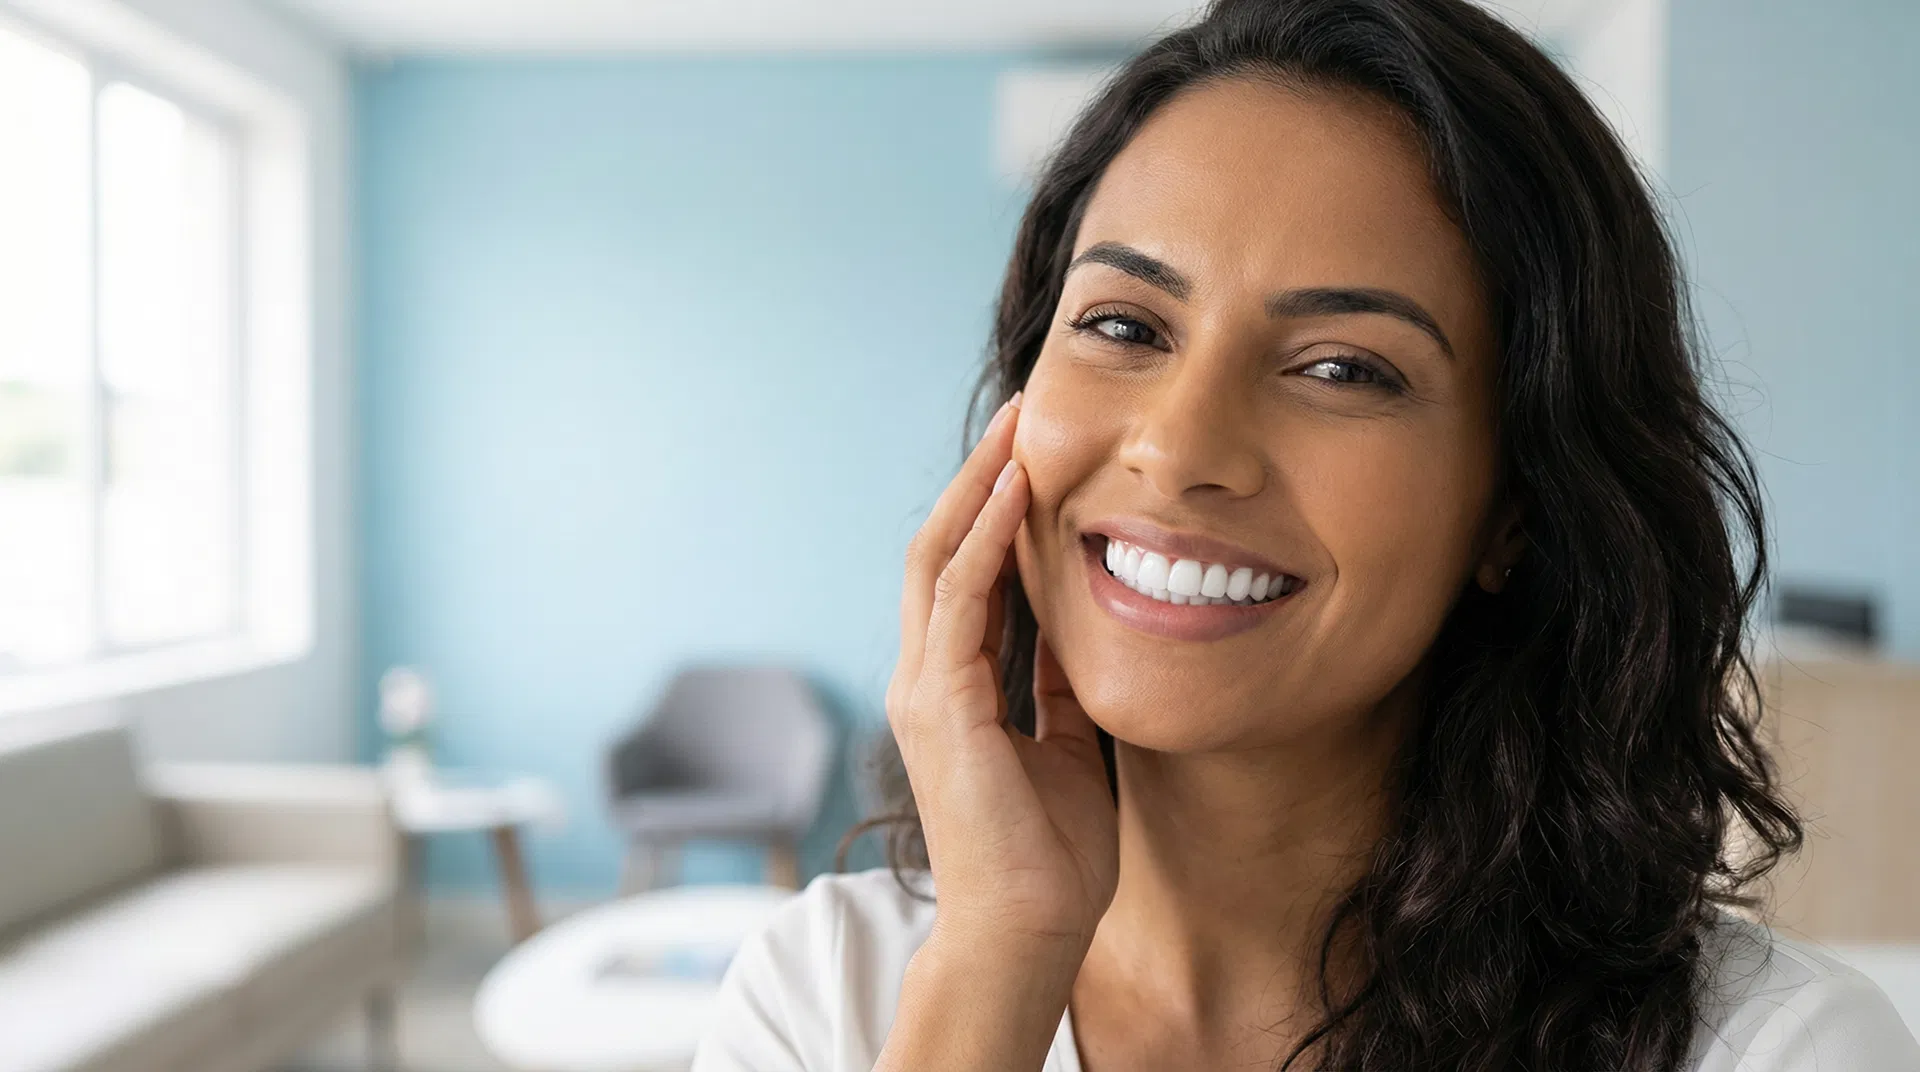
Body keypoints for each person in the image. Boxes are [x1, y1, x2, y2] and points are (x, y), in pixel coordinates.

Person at [691, 0, 1920, 1068]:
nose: (1178, 449)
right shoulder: (825, 995)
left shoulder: (1774, 1049)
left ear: (1518, 505)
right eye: (1124, 326)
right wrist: (1000, 959)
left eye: (1342, 366)